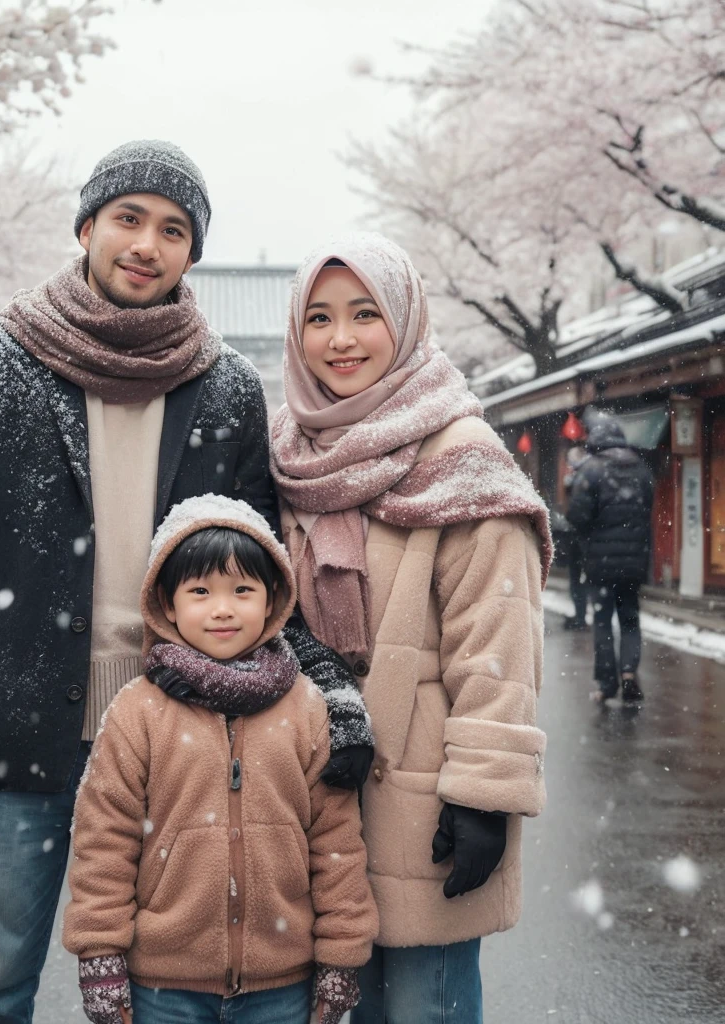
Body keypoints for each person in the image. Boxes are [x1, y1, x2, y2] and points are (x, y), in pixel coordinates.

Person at [0, 140, 372, 1024]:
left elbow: (263, 577)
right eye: (128, 219)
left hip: (184, 734)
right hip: (22, 728)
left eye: (174, 229)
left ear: (193, 252)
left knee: (175, 991)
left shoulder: (226, 387)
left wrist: (329, 689)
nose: (146, 244)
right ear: (87, 227)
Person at [270, 234, 551, 1024]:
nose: (342, 339)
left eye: (366, 314)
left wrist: (485, 798)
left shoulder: (463, 459)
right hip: (317, 794)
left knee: (426, 1006)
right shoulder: (292, 453)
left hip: (424, 798)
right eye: (319, 318)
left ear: (406, 319)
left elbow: (497, 643)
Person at [63, 494, 378, 1024]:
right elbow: (104, 843)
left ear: (274, 598)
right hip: (165, 987)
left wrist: (341, 956)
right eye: (200, 591)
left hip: (281, 984)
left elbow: (336, 843)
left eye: (242, 590)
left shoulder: (305, 708)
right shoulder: (136, 712)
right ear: (167, 603)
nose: (223, 608)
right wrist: (100, 955)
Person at [567, 415, 654, 703]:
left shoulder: (590, 471)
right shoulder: (641, 469)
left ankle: (607, 685)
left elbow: (577, 517)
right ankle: (629, 673)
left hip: (600, 563)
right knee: (630, 619)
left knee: (603, 620)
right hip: (633, 562)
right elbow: (648, 509)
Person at [561, 445, 590, 630]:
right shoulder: (586, 476)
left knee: (578, 578)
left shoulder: (582, 479)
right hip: (584, 537)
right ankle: (580, 614)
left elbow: (576, 512)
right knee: (580, 579)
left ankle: (580, 616)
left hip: (580, 537)